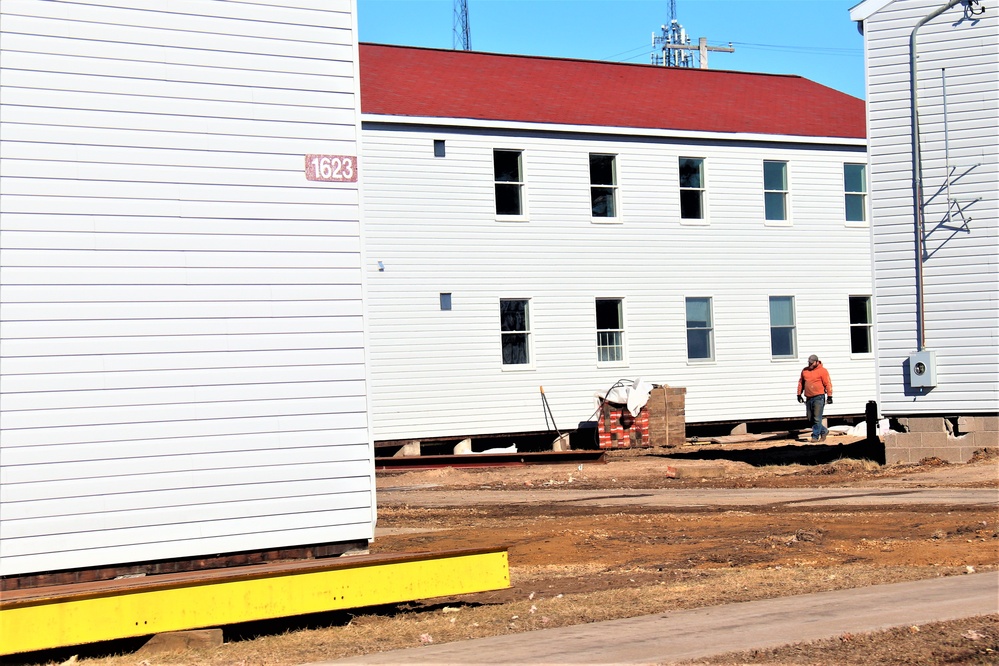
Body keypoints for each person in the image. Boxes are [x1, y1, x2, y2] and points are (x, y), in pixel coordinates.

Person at [797, 354, 833, 442]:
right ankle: (824, 431)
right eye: (809, 363)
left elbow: (827, 383)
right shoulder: (805, 371)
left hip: (819, 397)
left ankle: (815, 436)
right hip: (809, 397)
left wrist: (829, 396)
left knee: (817, 418)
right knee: (810, 418)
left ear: (817, 362)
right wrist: (799, 394)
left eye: (812, 363)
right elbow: (801, 383)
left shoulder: (823, 371)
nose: (810, 365)